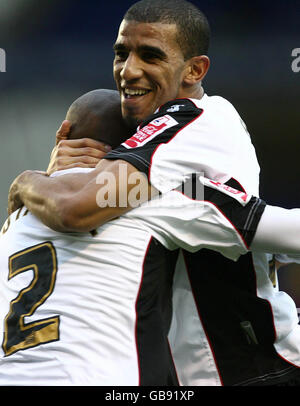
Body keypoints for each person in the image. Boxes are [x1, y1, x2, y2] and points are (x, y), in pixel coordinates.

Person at [7, 0, 300, 386]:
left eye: (150, 55)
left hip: (257, 370)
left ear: (195, 69)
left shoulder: (195, 121)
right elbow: (235, 220)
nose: (128, 70)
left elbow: (75, 208)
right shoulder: (163, 186)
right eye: (121, 53)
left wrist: (27, 181)